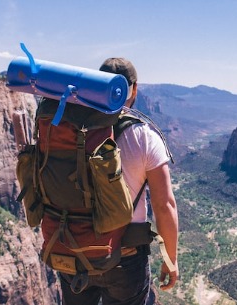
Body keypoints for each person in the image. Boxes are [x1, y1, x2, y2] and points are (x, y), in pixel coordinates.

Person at [56, 58, 180, 305]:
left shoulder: (68, 128)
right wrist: (170, 259)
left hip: (73, 250)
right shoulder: (144, 137)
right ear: (134, 89)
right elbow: (165, 206)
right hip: (125, 257)